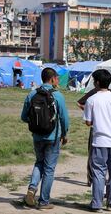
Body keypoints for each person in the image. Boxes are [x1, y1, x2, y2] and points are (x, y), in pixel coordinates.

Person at [21, 67, 69, 209]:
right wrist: (64, 134)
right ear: (53, 79)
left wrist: (37, 124)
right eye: (57, 78)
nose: (58, 81)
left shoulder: (32, 94)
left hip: (37, 136)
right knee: (49, 169)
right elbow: (64, 118)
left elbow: (24, 117)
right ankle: (43, 202)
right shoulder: (58, 95)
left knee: (39, 163)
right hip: (53, 137)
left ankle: (32, 188)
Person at [83, 69, 111, 212]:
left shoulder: (91, 100)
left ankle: (97, 204)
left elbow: (88, 122)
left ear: (97, 82)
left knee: (98, 173)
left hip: (99, 141)